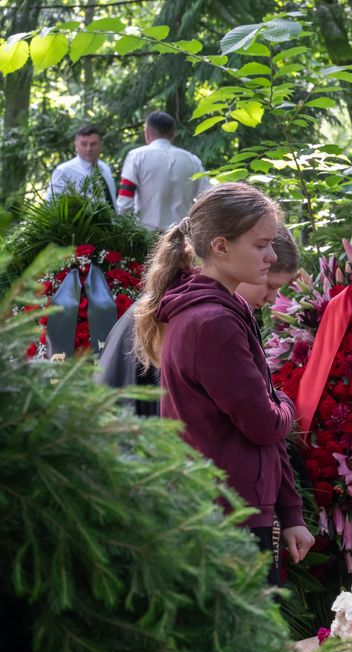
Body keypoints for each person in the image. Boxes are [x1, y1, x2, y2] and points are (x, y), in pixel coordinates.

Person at [132, 183, 313, 582]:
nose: (270, 255)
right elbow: (264, 423)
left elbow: (261, 429)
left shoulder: (224, 311)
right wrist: (284, 402)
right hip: (226, 520)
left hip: (235, 511)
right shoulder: (212, 323)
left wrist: (290, 512)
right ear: (221, 246)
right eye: (261, 244)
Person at [97, 226, 301, 417]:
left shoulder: (184, 300)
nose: (272, 299)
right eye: (271, 286)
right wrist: (281, 401)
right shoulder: (201, 317)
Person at [117, 111, 211, 231]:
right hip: (181, 237)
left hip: (146, 236)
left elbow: (125, 201)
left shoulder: (136, 157)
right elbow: (207, 198)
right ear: (172, 134)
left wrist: (124, 230)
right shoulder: (192, 160)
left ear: (147, 133)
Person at [47, 124, 116, 206]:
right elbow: (52, 205)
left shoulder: (105, 168)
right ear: (76, 145)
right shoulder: (64, 171)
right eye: (83, 144)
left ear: (101, 145)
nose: (88, 148)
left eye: (93, 144)